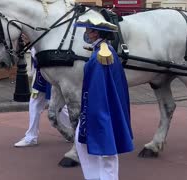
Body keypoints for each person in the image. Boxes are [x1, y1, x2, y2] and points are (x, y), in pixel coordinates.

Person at [74, 18, 134, 180]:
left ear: (96, 33)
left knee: (104, 150)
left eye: (89, 30)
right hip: (103, 107)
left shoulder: (101, 55)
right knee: (87, 145)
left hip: (99, 109)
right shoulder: (103, 50)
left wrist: (95, 114)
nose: (86, 33)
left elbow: (98, 89)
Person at [14, 40, 70, 147]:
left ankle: (74, 131)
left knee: (58, 107)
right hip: (40, 77)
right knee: (34, 104)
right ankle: (31, 137)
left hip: (50, 77)